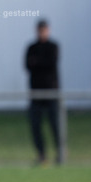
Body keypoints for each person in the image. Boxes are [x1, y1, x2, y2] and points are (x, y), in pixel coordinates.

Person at [25, 19, 61, 165]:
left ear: (48, 30)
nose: (42, 33)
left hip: (51, 92)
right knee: (36, 126)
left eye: (44, 30)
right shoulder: (32, 47)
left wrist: (37, 62)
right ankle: (42, 155)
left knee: (56, 125)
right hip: (36, 94)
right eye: (40, 30)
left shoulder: (53, 46)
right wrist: (40, 63)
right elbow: (27, 65)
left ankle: (60, 153)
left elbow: (51, 63)